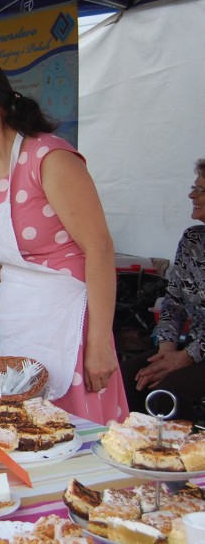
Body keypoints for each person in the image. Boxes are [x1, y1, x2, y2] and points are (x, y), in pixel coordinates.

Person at [0, 51, 126, 424]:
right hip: (12, 329)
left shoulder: (51, 160)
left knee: (65, 444)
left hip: (66, 328)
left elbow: (99, 249)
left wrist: (100, 343)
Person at [121, 159, 205, 421]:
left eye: (201, 190)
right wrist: (166, 350)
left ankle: (181, 457)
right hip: (191, 347)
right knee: (128, 378)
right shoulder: (193, 240)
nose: (192, 195)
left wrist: (186, 357)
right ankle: (132, 451)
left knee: (168, 392)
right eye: (194, 187)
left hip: (196, 351)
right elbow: (174, 301)